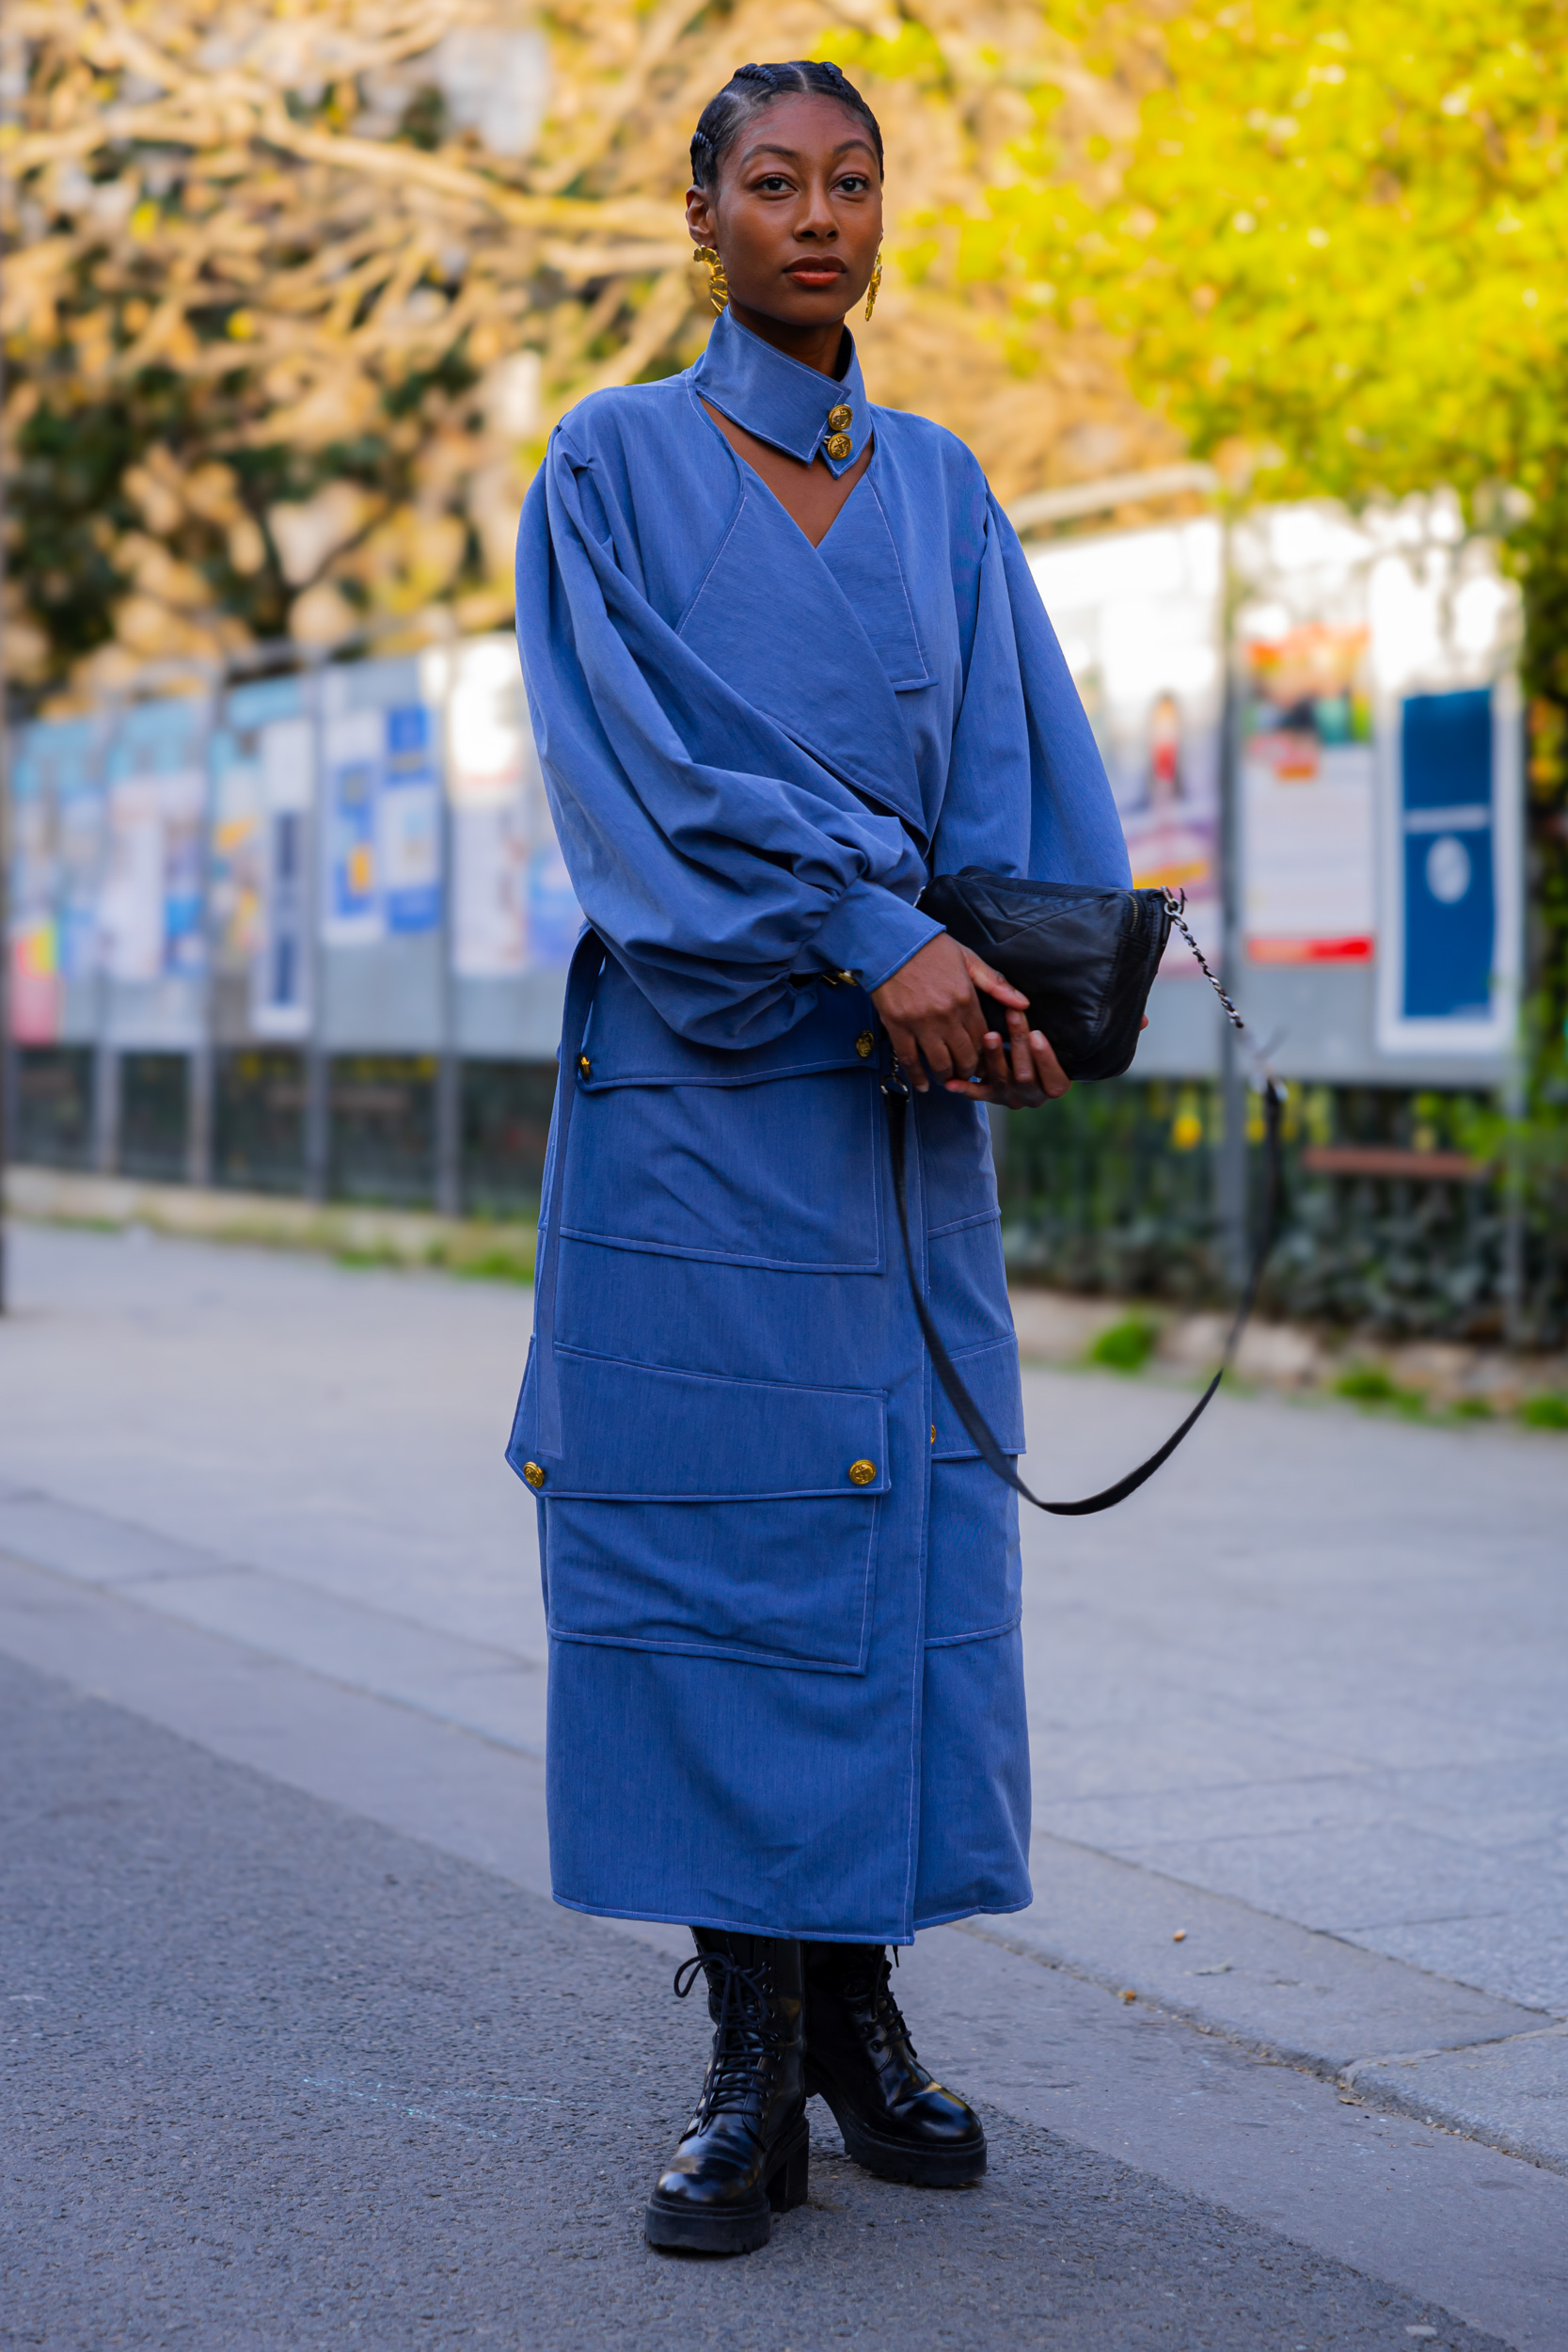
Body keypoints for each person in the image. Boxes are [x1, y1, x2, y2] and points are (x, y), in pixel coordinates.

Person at [512, 57, 1131, 2257]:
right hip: (703, 1109)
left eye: (852, 181)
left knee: (907, 1560)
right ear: (701, 220)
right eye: (770, 182)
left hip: (899, 1129)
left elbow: (1033, 786)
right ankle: (746, 2051)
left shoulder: (950, 490)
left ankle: (862, 2004)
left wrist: (1034, 984)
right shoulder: (607, 467)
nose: (816, 216)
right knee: (718, 1561)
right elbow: (642, 792)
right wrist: (869, 931)